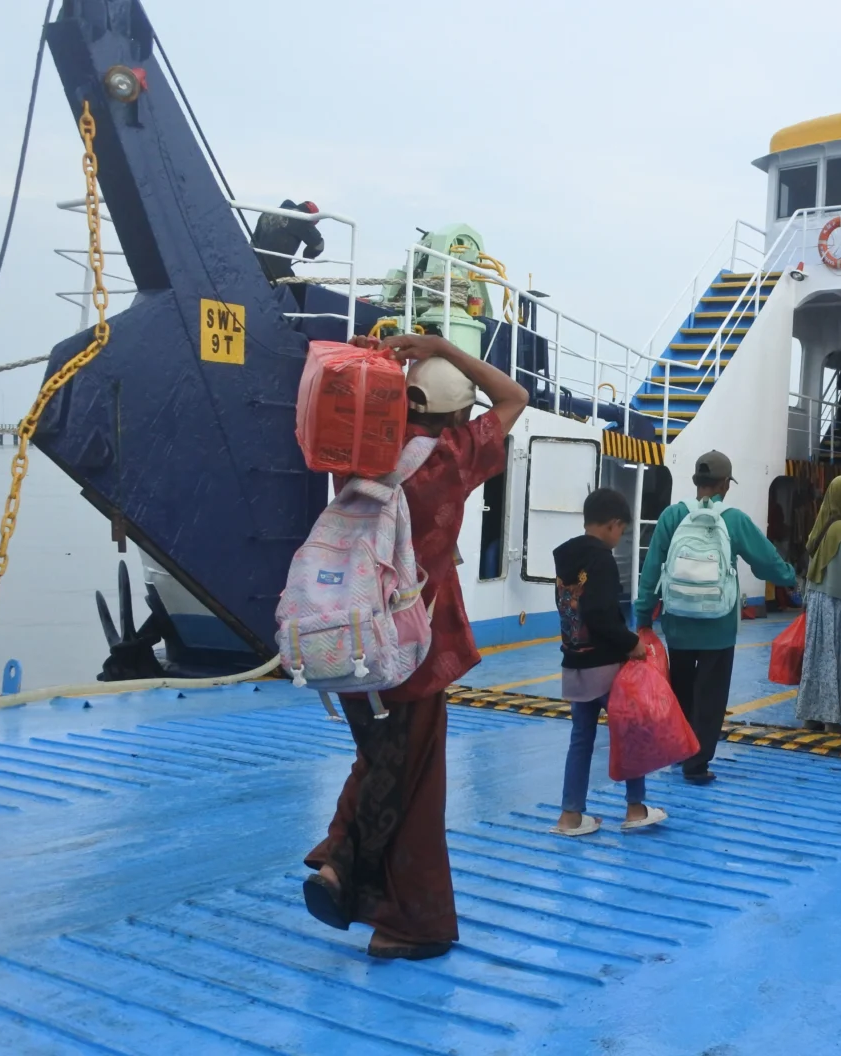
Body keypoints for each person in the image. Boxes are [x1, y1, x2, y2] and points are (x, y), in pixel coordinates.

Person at [303, 332, 528, 961]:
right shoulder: (455, 454)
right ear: (457, 412)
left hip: (345, 637)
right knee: (418, 783)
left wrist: (371, 366)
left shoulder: (361, 453)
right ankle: (406, 923)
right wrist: (443, 346)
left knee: (379, 759)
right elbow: (515, 396)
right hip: (412, 645)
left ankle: (337, 865)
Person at [635, 451, 797, 784]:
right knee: (710, 696)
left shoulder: (672, 516)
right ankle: (696, 765)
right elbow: (766, 561)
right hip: (719, 625)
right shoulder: (733, 519)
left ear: (697, 483)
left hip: (678, 621)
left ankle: (679, 750)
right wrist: (789, 576)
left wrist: (642, 617)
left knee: (681, 688)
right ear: (725, 484)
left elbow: (651, 570)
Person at [551, 489, 666, 836]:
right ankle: (635, 808)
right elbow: (601, 614)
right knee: (630, 731)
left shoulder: (566, 557)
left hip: (574, 663)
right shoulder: (601, 559)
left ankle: (570, 816)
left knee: (581, 737)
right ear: (614, 525)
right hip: (605, 665)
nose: (620, 539)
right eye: (622, 532)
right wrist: (631, 644)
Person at [795, 476, 841, 734]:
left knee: (818, 659)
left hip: (817, 601)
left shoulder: (822, 525)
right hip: (840, 604)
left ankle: (810, 717)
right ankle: (832, 722)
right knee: (838, 658)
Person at [252, 199, 325, 283]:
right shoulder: (300, 217)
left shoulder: (266, 214)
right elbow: (319, 245)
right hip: (278, 273)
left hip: (256, 269)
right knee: (299, 291)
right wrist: (307, 256)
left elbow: (253, 242)